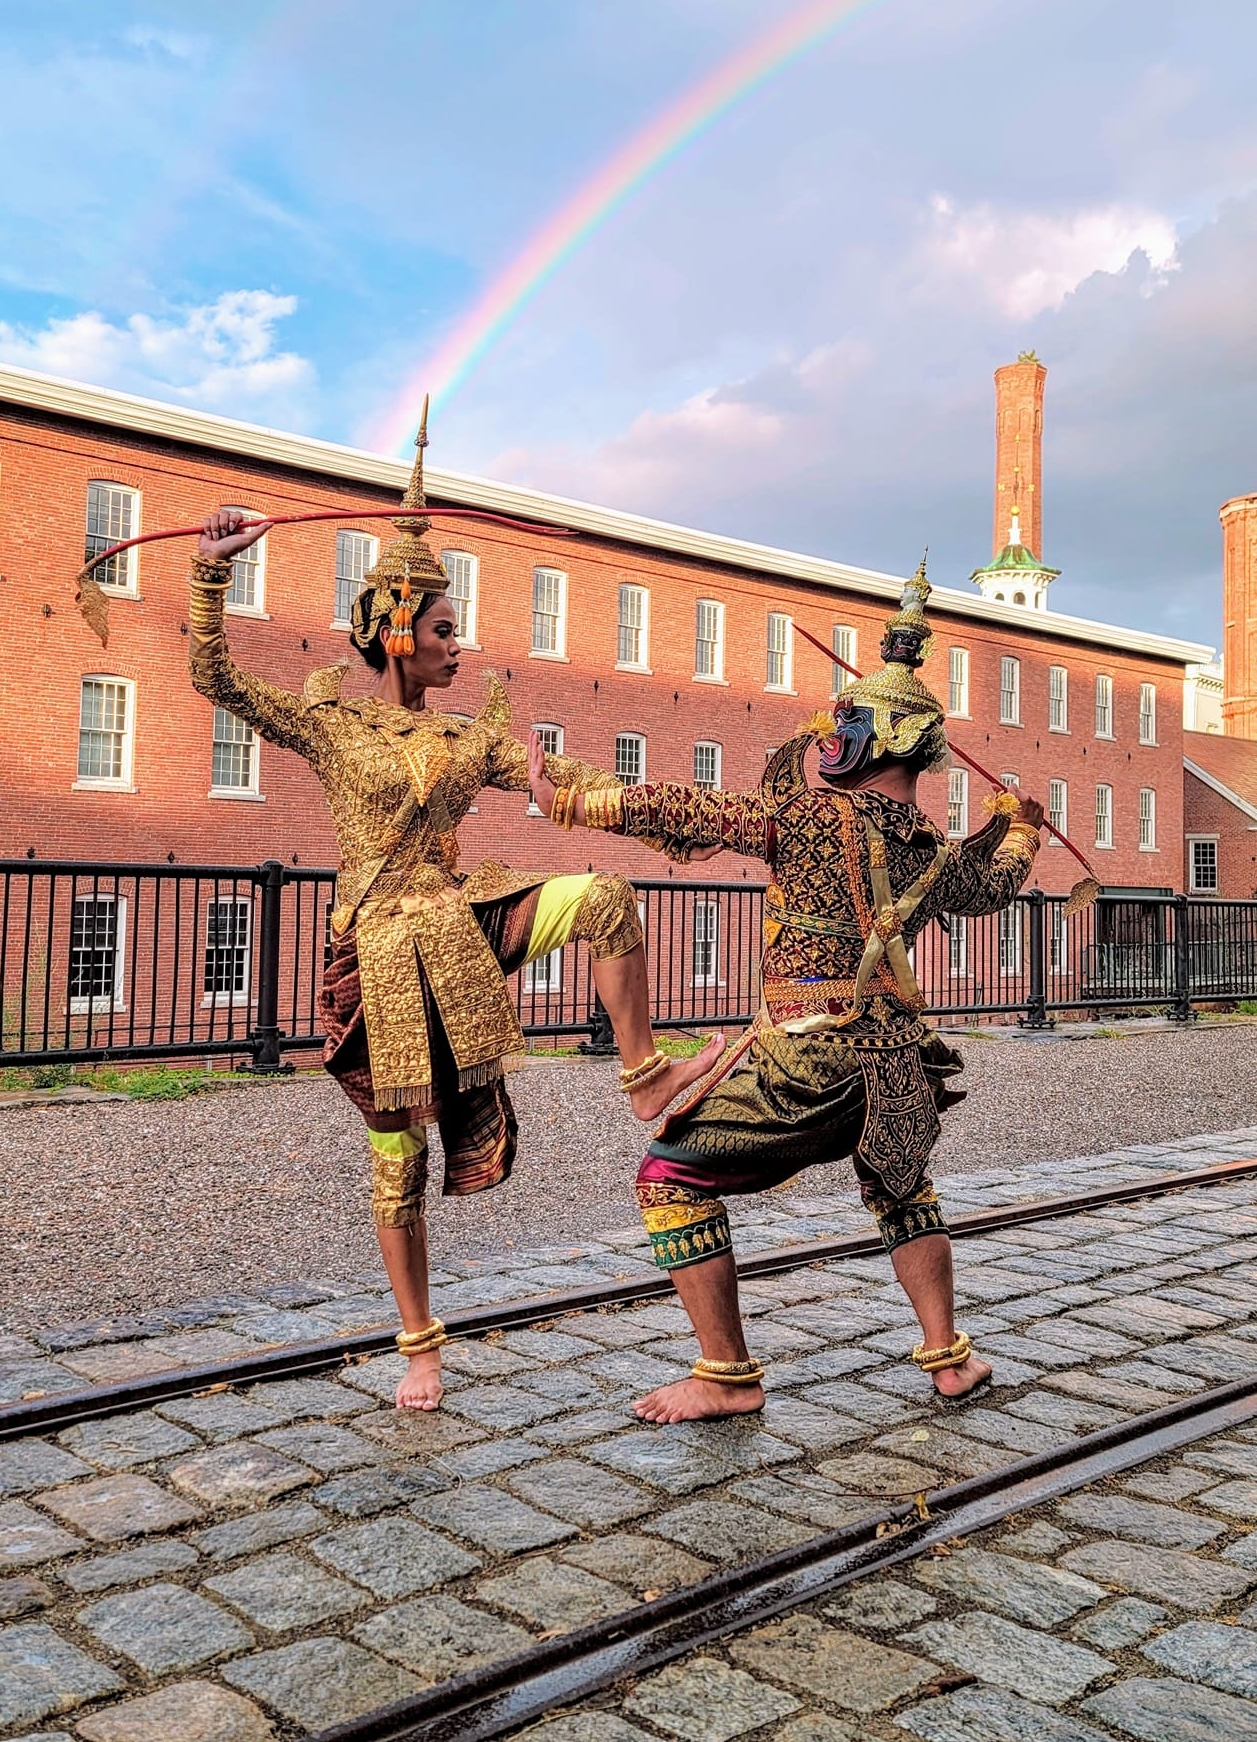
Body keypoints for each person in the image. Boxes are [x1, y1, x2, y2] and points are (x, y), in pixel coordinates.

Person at [189, 405, 720, 1409]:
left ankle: (645, 1073)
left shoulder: (472, 735)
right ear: (394, 626)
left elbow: (553, 778)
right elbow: (211, 674)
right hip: (380, 955)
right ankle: (420, 1342)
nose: (456, 647)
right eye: (442, 629)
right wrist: (213, 571)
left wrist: (655, 807)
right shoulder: (328, 721)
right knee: (399, 1160)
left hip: (463, 920)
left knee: (605, 897)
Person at [529, 560, 1043, 1424]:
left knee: (667, 1178)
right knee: (900, 1190)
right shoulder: (927, 844)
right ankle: (949, 1359)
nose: (823, 738)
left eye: (839, 726)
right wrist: (1021, 829)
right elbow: (988, 886)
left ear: (864, 742)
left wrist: (584, 800)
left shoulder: (811, 817)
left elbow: (702, 812)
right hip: (897, 1062)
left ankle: (725, 1375)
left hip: (809, 1055)